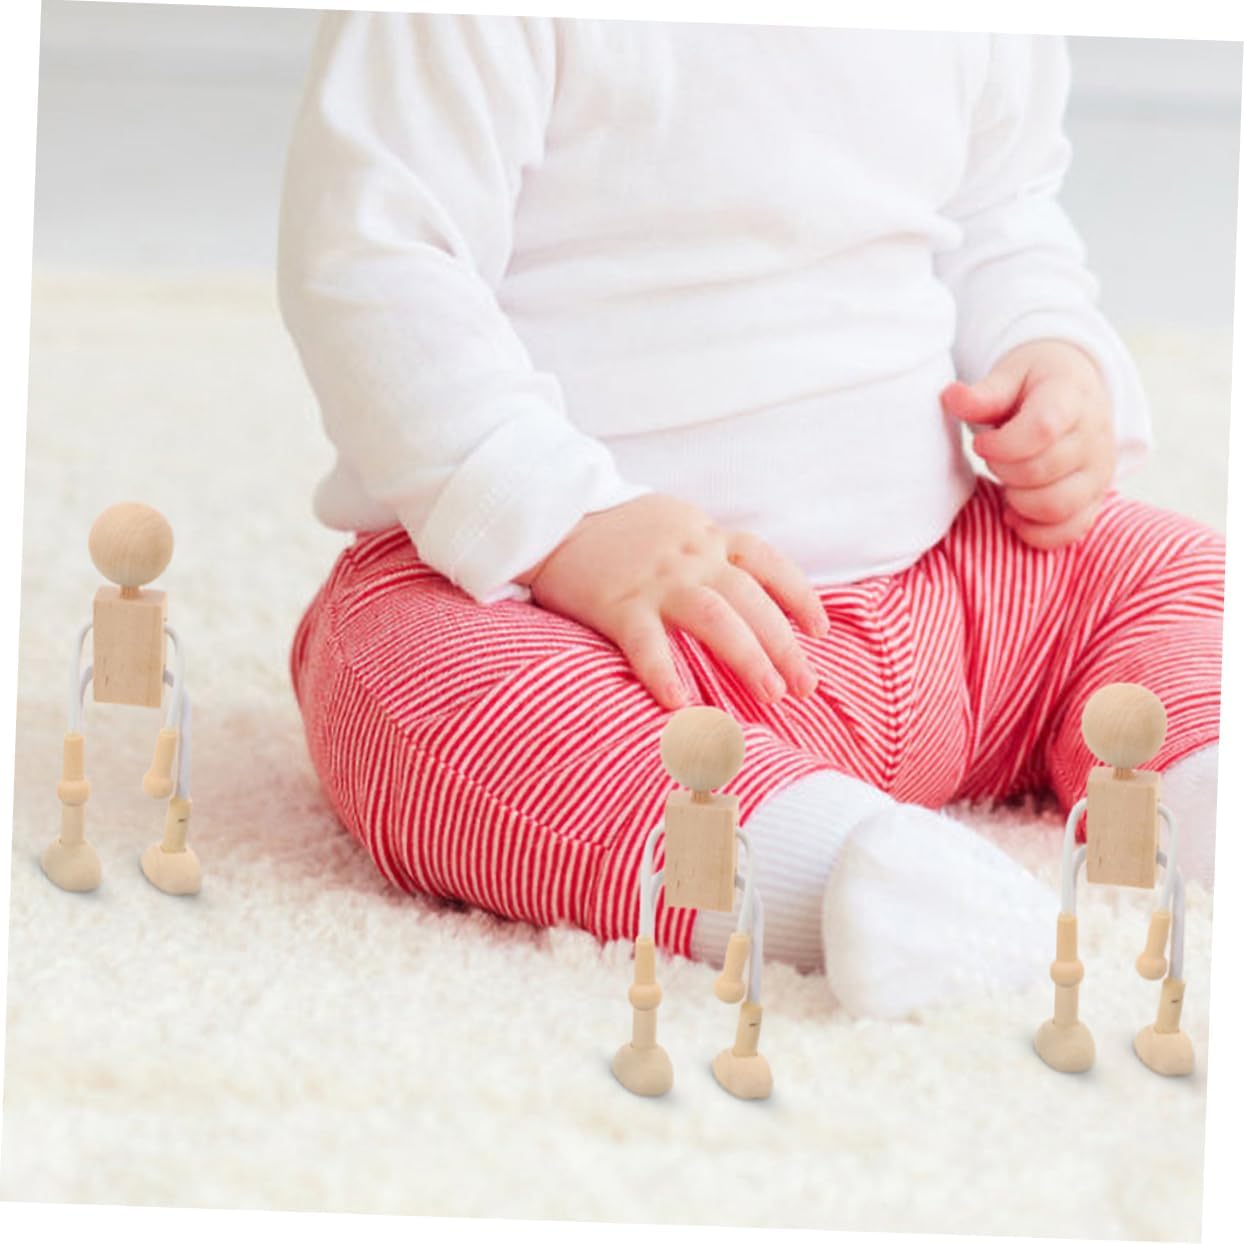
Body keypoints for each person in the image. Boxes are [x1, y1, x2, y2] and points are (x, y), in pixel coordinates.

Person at [277, 14, 1223, 1019]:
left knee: (1166, 572)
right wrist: (567, 523)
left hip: (960, 607)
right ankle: (830, 876)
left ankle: (1203, 781)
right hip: (604, 642)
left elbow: (1000, 210)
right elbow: (380, 259)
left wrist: (1047, 353)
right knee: (406, 670)